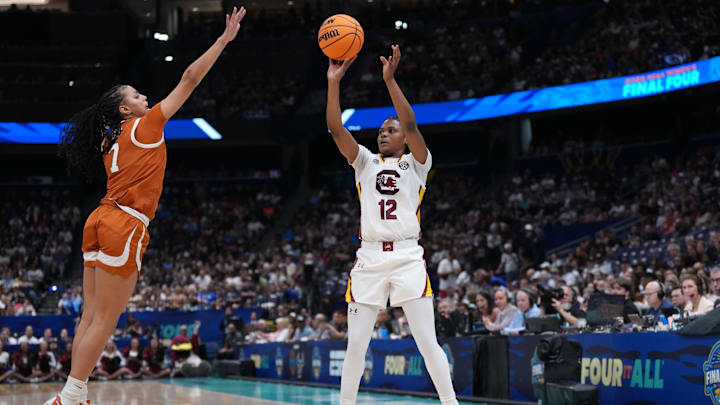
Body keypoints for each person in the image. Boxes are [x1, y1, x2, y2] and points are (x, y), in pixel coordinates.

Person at [45, 7, 247, 405]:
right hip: (125, 223)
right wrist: (223, 40)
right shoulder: (147, 125)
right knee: (105, 319)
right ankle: (69, 398)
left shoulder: (109, 142)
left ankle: (74, 394)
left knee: (89, 316)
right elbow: (189, 79)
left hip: (99, 218)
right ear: (125, 109)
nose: (146, 98)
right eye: (137, 97)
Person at [326, 44, 458, 405]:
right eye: (381, 130)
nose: (383, 133)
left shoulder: (418, 164)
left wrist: (389, 80)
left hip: (407, 257)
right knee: (356, 345)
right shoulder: (365, 162)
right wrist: (333, 83)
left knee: (427, 341)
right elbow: (336, 129)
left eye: (391, 129)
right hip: (368, 258)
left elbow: (412, 122)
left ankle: (451, 403)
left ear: (404, 138)